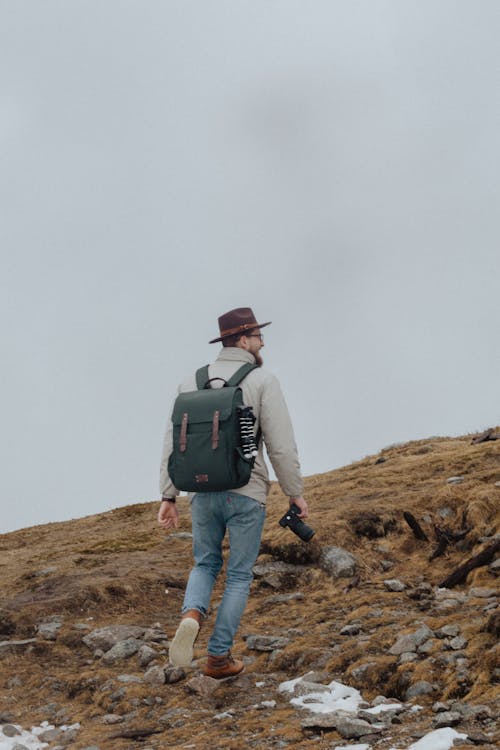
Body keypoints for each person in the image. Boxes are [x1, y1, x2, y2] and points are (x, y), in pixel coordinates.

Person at [158, 307, 307, 679]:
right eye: (258, 335)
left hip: (202, 491)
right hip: (246, 490)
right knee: (239, 575)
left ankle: (191, 614)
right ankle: (218, 658)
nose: (262, 342)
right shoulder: (262, 380)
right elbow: (281, 445)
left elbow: (172, 443)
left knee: (205, 564)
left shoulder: (189, 382)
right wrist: (295, 492)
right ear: (243, 339)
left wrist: (168, 495)